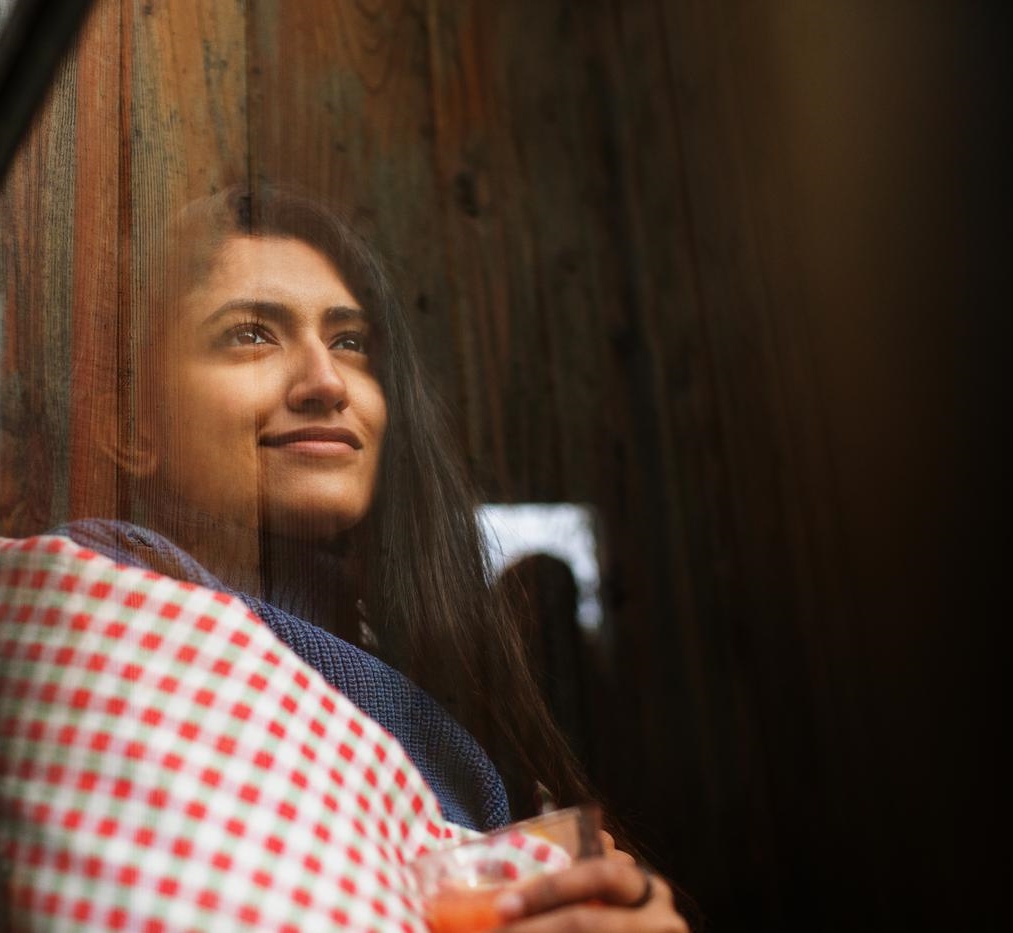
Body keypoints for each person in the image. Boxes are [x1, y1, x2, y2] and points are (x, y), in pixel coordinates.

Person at [55, 185, 689, 931]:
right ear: (129, 425)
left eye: (350, 341)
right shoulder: (92, 620)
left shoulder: (412, 664)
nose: (327, 382)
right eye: (251, 334)